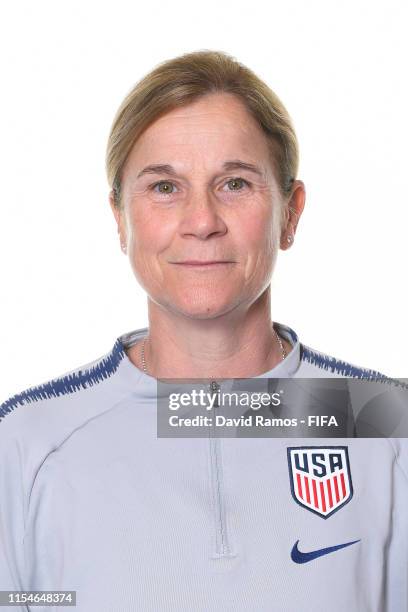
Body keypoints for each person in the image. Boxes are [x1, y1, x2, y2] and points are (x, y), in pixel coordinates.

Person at [0, 49, 407, 611]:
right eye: (165, 187)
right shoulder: (25, 445)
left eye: (235, 184)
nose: (201, 222)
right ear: (119, 217)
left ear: (290, 213)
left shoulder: (386, 423)